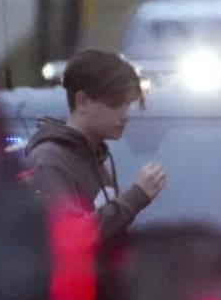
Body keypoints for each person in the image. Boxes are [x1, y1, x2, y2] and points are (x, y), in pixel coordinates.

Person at [23, 48, 166, 243]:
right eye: (115, 103)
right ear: (82, 101)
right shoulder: (50, 161)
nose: (125, 114)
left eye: (127, 104)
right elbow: (72, 235)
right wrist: (136, 196)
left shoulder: (94, 156)